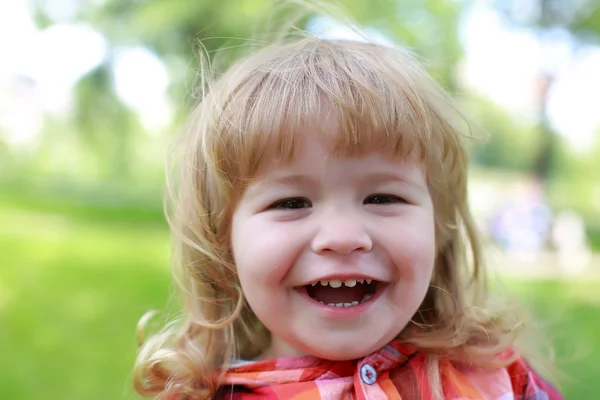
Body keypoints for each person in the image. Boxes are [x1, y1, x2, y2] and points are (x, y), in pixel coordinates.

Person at [132, 11, 562, 400]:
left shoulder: (497, 381)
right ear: (223, 241)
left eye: (382, 197)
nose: (343, 237)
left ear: (438, 225)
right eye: (291, 202)